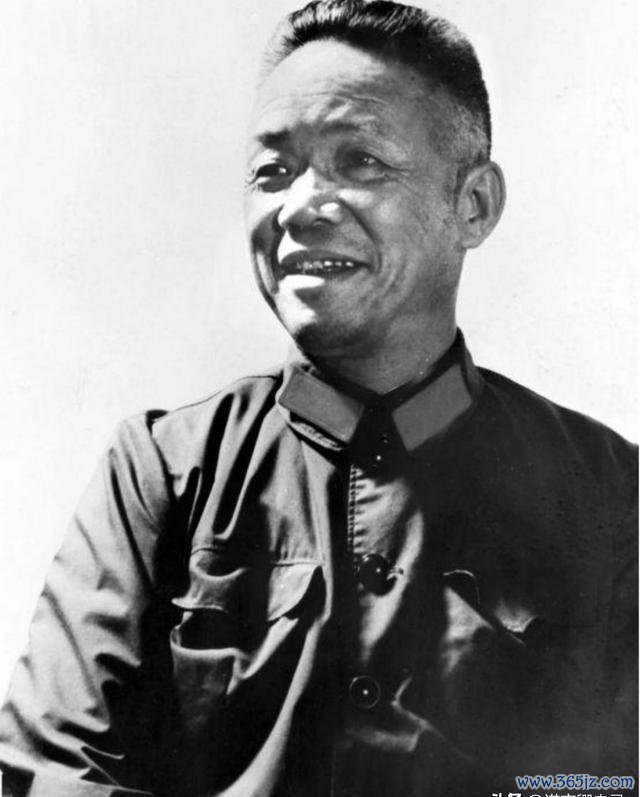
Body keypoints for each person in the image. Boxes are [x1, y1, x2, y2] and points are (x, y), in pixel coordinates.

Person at [0, 1, 637, 795]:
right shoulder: (162, 472)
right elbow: (57, 772)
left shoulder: (611, 492)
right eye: (272, 171)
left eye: (360, 161)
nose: (300, 205)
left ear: (472, 205)